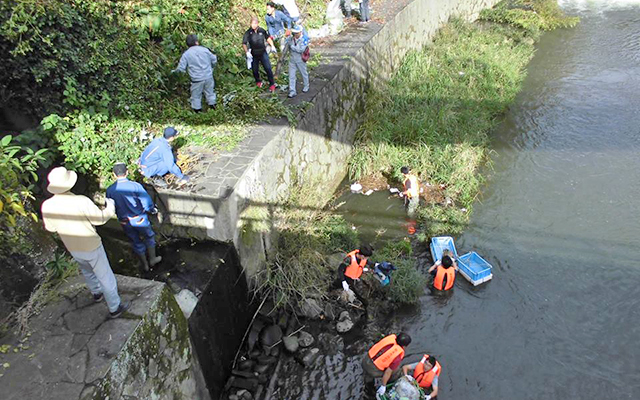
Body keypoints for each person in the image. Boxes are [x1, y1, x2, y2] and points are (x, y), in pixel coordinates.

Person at [41, 166, 130, 318]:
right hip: (91, 245)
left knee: (87, 271)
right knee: (106, 276)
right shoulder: (81, 201)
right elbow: (100, 219)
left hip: (72, 246)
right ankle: (115, 307)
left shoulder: (47, 205)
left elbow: (50, 228)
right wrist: (111, 207)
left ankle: (96, 293)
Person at [106, 163, 162, 273]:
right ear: (127, 172)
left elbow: (110, 206)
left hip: (124, 221)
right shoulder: (135, 186)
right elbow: (146, 202)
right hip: (139, 219)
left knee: (135, 241)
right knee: (149, 236)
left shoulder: (110, 190)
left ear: (114, 175)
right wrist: (153, 210)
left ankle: (145, 264)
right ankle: (153, 259)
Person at [172, 34, 218, 112]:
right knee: (210, 94)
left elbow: (181, 69)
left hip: (197, 79)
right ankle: (213, 110)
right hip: (208, 76)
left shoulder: (186, 54)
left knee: (196, 97)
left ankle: (198, 113)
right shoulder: (205, 50)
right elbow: (214, 59)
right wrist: (211, 67)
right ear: (197, 42)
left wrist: (173, 72)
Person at [362, 333, 412, 397]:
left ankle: (368, 384)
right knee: (395, 371)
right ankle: (390, 383)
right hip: (373, 370)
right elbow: (388, 372)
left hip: (366, 360)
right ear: (405, 346)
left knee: (369, 372)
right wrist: (383, 385)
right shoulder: (397, 356)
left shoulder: (390, 338)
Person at [243, 17, 277, 93]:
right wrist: (247, 52)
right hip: (254, 54)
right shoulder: (248, 32)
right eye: (252, 23)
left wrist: (272, 45)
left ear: (257, 24)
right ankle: (258, 81)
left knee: (268, 68)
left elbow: (268, 38)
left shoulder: (262, 30)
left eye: (255, 23)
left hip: (262, 53)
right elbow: (244, 43)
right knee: (255, 70)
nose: (253, 25)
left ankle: (272, 84)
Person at [285, 25, 309, 98]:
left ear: (300, 32)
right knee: (291, 76)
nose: (295, 34)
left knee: (303, 73)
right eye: (294, 33)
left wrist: (292, 47)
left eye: (297, 33)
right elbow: (286, 41)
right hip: (292, 59)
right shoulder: (292, 38)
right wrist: (287, 36)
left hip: (300, 59)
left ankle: (306, 86)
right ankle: (292, 91)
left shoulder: (304, 39)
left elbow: (301, 49)